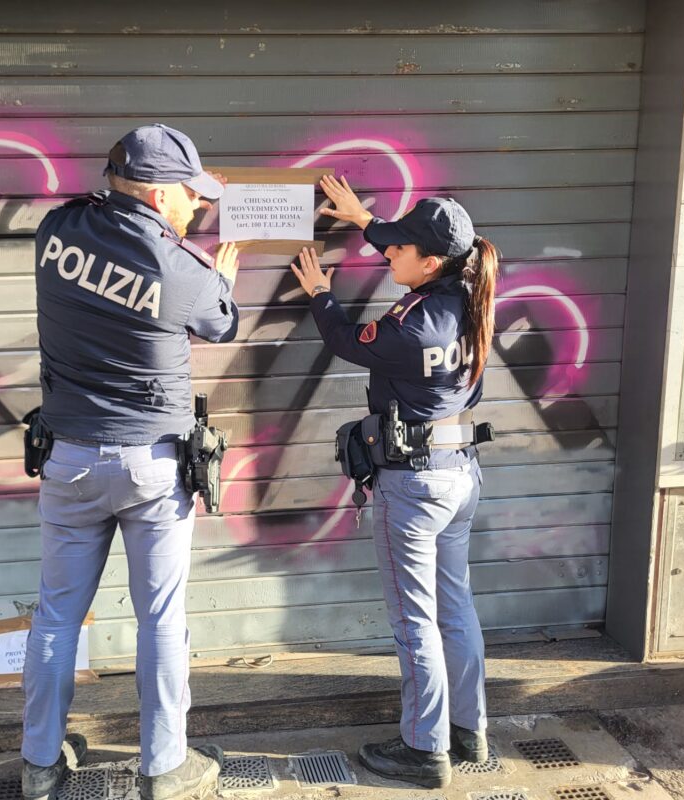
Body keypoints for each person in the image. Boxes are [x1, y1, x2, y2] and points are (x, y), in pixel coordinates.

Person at [21, 123, 240, 800]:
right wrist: (216, 272)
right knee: (160, 618)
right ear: (154, 192)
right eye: (188, 196)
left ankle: (38, 763)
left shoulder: (54, 230)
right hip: (150, 466)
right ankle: (162, 765)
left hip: (69, 461)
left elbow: (104, 228)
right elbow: (221, 322)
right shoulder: (183, 270)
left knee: (56, 615)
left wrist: (180, 226)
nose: (197, 207)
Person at [290, 176, 499, 790]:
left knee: (414, 622)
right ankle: (468, 731)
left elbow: (347, 340)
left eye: (398, 248)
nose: (387, 254)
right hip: (459, 476)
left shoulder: (413, 324)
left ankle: (423, 751)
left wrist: (320, 295)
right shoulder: (471, 296)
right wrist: (364, 218)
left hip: (414, 486)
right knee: (455, 609)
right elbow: (410, 247)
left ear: (429, 261)